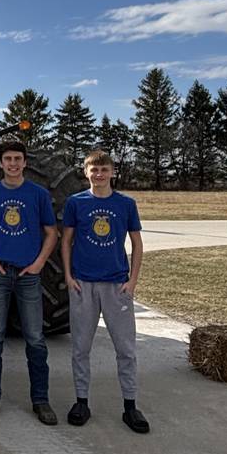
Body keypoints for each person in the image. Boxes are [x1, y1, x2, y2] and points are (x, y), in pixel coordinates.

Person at [0, 140, 59, 425]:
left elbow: (51, 232)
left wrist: (40, 262)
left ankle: (41, 400)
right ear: (1, 163)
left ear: (25, 162)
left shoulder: (38, 194)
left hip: (28, 276)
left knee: (36, 339)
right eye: (8, 159)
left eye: (18, 159)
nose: (13, 164)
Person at [61, 149, 148, 433]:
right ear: (86, 172)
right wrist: (68, 276)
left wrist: (132, 281)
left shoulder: (125, 204)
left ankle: (130, 406)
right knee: (80, 348)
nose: (99, 175)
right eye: (93, 170)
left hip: (116, 284)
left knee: (125, 349)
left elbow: (136, 244)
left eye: (104, 170)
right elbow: (66, 242)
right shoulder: (76, 203)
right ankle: (82, 401)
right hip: (83, 284)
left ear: (112, 172)